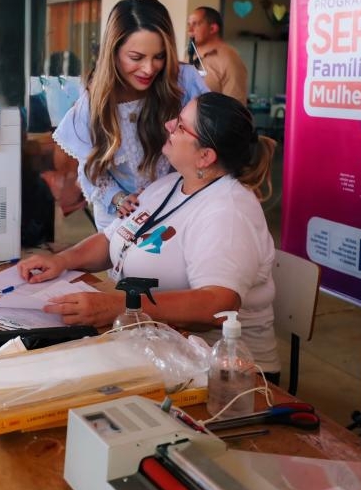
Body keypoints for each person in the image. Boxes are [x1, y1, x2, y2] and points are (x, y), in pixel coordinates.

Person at [20, 92, 280, 378]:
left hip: (226, 376)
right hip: (156, 346)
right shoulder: (170, 184)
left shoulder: (228, 212)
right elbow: (113, 238)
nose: (168, 125)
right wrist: (63, 260)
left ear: (205, 156)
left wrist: (121, 307)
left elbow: (218, 305)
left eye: (181, 125)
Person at [53, 0, 209, 231]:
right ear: (113, 52)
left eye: (159, 56)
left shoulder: (184, 81)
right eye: (136, 58)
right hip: (119, 214)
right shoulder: (94, 102)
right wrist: (116, 198)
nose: (149, 69)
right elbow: (91, 167)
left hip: (177, 204)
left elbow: (210, 140)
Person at [187, 6, 248, 104]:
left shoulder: (230, 59)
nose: (189, 30)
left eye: (195, 24)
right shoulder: (190, 54)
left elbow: (235, 108)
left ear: (212, 28)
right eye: (189, 24)